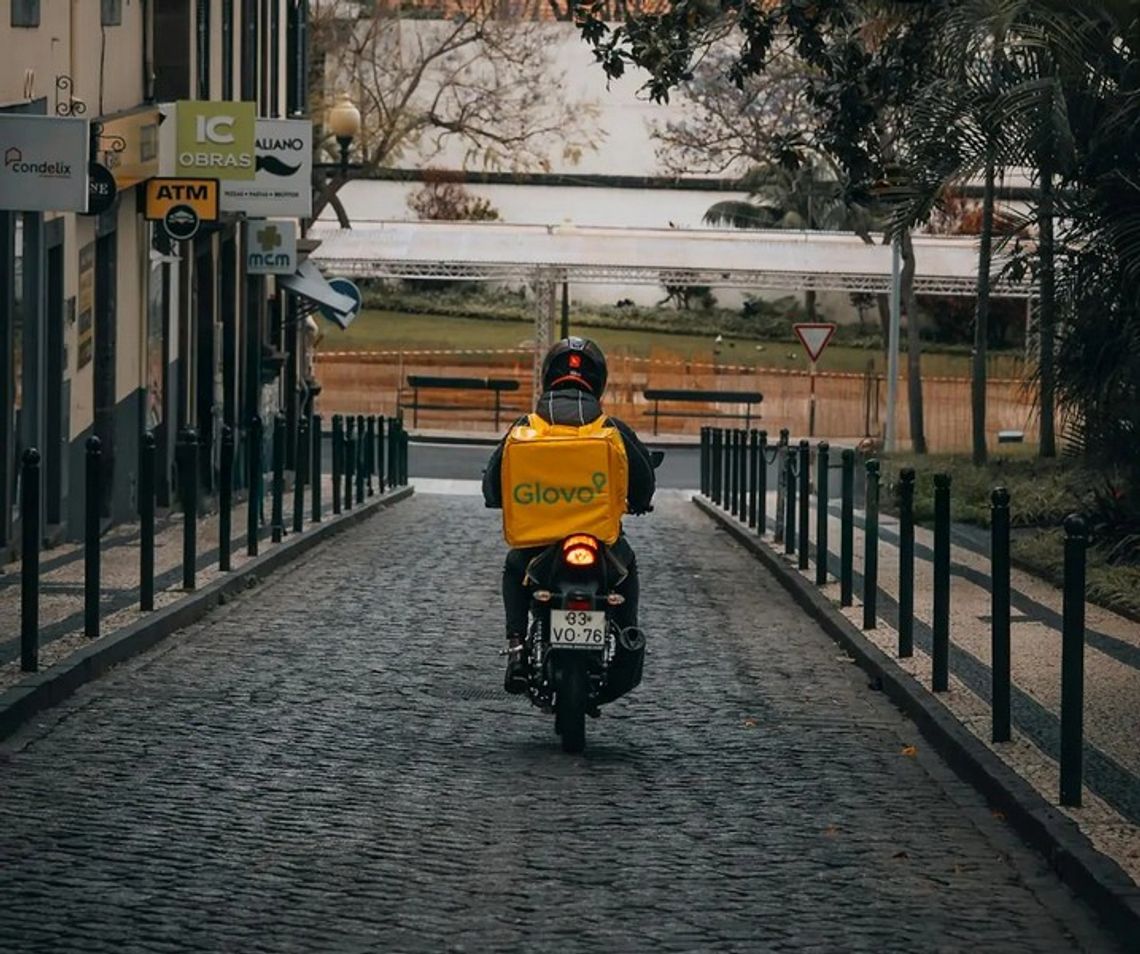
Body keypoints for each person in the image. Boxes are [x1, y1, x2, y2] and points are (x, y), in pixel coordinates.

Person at [482, 337, 656, 697]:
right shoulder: (612, 429)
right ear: (599, 382)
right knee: (627, 571)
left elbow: (493, 484)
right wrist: (640, 501)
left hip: (541, 550)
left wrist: (498, 498)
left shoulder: (524, 427)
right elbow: (643, 483)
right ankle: (629, 638)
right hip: (600, 547)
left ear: (548, 378)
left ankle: (516, 647)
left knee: (515, 569)